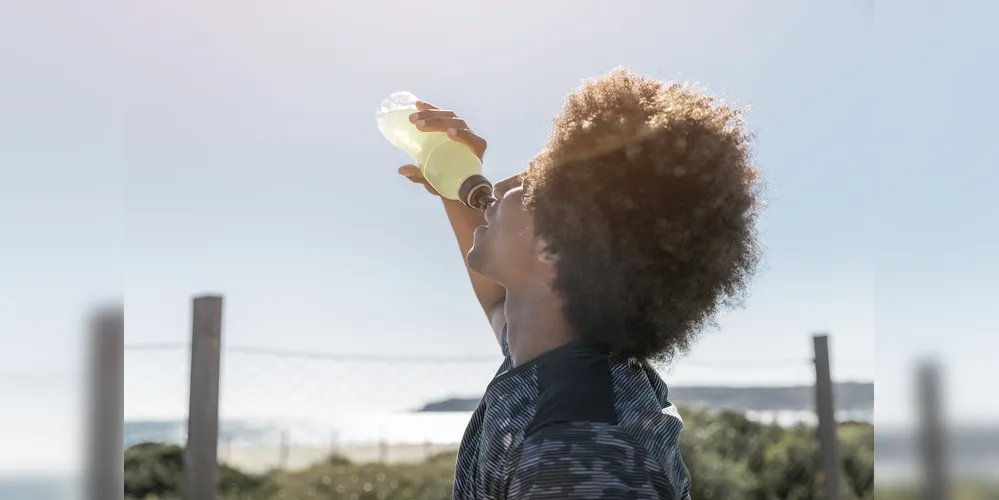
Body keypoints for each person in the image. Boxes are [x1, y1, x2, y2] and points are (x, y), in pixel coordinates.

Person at [398, 67, 760, 499]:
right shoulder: (560, 349)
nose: (503, 184)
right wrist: (452, 187)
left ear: (551, 250)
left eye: (530, 187)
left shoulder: (578, 449)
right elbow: (500, 301)